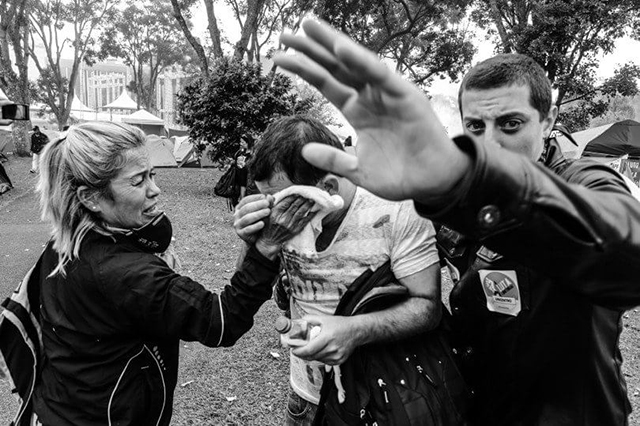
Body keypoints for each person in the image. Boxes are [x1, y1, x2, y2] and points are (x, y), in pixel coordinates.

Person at [271, 20, 640, 426]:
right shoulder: (457, 200)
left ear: (548, 120)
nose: (491, 144)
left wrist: (481, 186)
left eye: (511, 125)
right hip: (478, 406)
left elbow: (628, 259)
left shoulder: (584, 180)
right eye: (476, 127)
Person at [18, 121, 315, 425]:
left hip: (56, 408)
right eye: (138, 182)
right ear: (90, 198)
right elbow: (222, 321)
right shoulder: (130, 276)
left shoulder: (61, 246)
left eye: (152, 175)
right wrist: (264, 249)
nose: (155, 190)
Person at [233, 115, 442, 424]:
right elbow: (248, 290)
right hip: (304, 399)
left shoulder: (397, 209)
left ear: (327, 186)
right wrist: (253, 243)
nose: (275, 211)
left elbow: (427, 306)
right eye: (268, 198)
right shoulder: (281, 215)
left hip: (379, 399)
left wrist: (353, 332)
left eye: (285, 201)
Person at [233, 136, 253, 206]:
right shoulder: (240, 152)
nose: (240, 143)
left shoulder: (253, 153)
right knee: (237, 199)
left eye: (242, 142)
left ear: (248, 143)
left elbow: (254, 166)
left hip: (247, 180)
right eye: (240, 142)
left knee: (244, 199)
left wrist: (246, 164)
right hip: (239, 178)